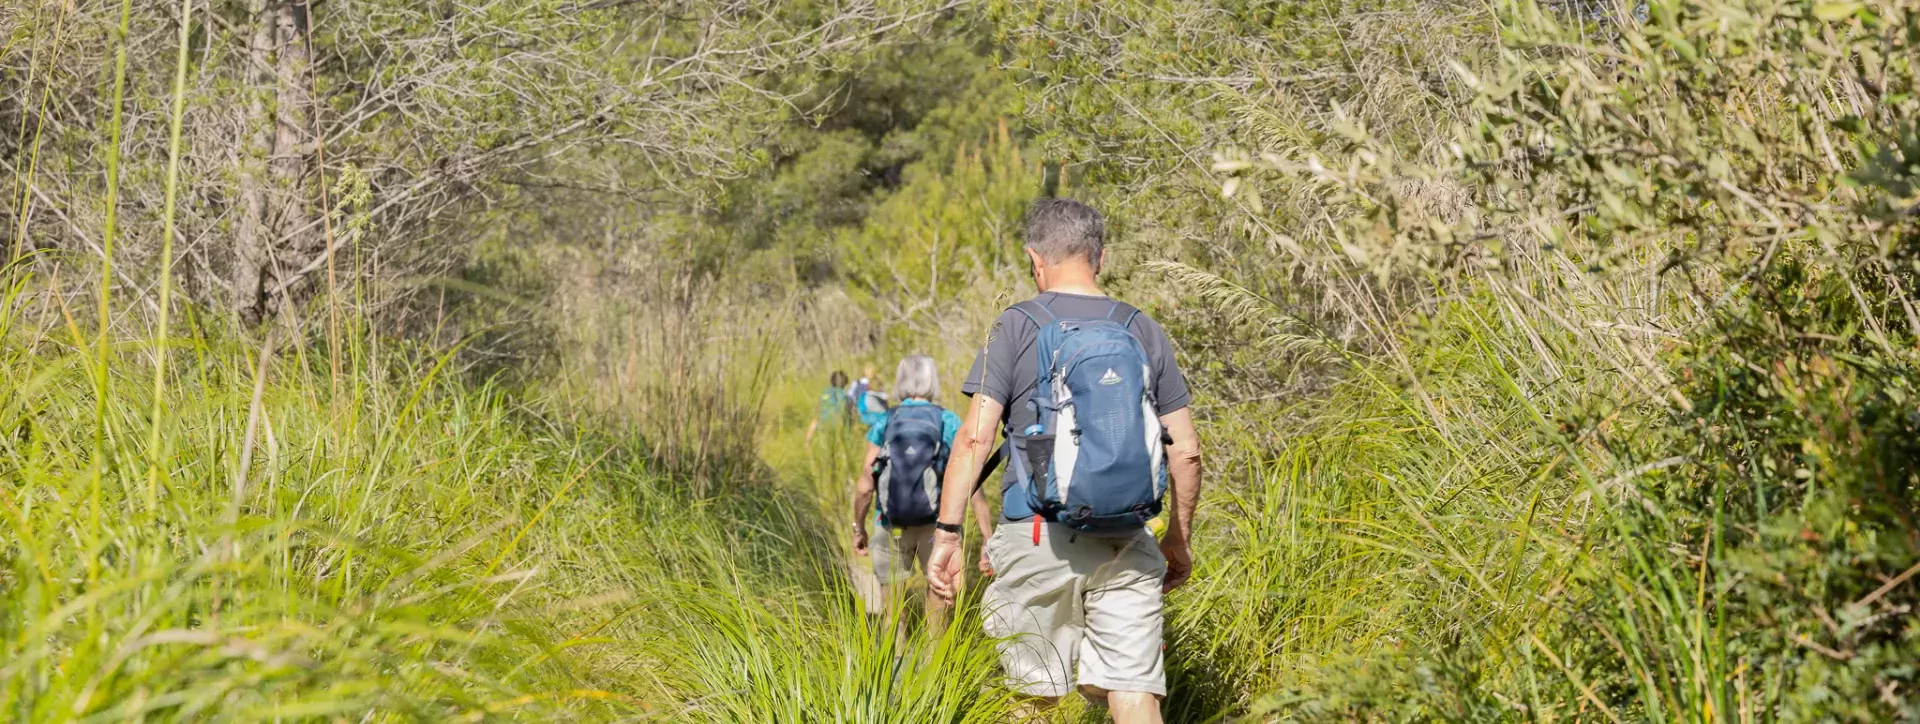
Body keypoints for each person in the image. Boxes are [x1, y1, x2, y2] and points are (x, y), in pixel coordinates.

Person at [927, 199, 1203, 723]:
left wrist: (948, 534)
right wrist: (1178, 538)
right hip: (1125, 535)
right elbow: (1186, 449)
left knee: (1032, 697)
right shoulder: (1140, 328)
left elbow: (974, 439)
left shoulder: (1016, 325)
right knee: (1133, 690)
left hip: (1035, 533)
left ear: (1035, 260)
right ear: (1101, 257)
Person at [851, 355, 995, 631]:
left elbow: (866, 483)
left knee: (892, 614)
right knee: (939, 604)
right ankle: (936, 654)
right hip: (938, 527)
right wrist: (987, 538)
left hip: (890, 524)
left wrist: (858, 527)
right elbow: (971, 482)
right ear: (932, 381)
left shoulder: (885, 421)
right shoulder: (947, 420)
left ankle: (895, 654)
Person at [806, 370, 853, 443]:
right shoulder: (845, 397)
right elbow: (848, 416)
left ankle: (807, 441)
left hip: (822, 426)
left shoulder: (825, 393)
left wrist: (807, 439)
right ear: (845, 383)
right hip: (836, 428)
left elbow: (817, 414)